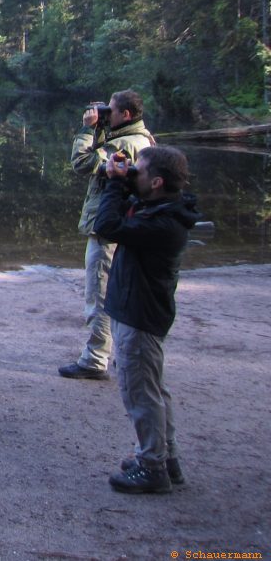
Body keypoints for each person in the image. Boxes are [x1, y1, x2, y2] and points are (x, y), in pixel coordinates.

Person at [95, 145, 200, 493]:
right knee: (152, 389)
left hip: (139, 315)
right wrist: (121, 180)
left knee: (140, 391)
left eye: (138, 171)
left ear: (156, 182)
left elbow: (106, 225)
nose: (132, 175)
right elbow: (124, 210)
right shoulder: (162, 209)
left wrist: (115, 184)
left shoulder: (162, 224)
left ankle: (152, 466)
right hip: (142, 311)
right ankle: (165, 458)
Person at [59, 90, 155, 380]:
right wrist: (102, 128)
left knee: (99, 297)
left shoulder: (125, 143)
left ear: (125, 114)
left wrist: (87, 130)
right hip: (126, 227)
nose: (104, 114)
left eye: (109, 111)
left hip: (108, 229)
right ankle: (120, 355)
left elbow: (83, 163)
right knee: (121, 294)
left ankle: (94, 359)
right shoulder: (143, 139)